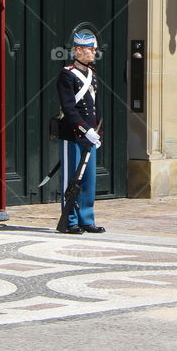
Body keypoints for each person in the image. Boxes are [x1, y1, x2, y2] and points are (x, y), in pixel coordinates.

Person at [55, 32, 106, 234]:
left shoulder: (92, 74)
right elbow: (69, 108)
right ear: (78, 50)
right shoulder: (66, 75)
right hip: (73, 134)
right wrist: (86, 129)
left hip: (90, 136)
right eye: (90, 49)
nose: (94, 52)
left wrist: (98, 131)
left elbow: (96, 106)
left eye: (94, 49)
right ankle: (70, 220)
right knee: (72, 179)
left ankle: (86, 218)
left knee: (89, 179)